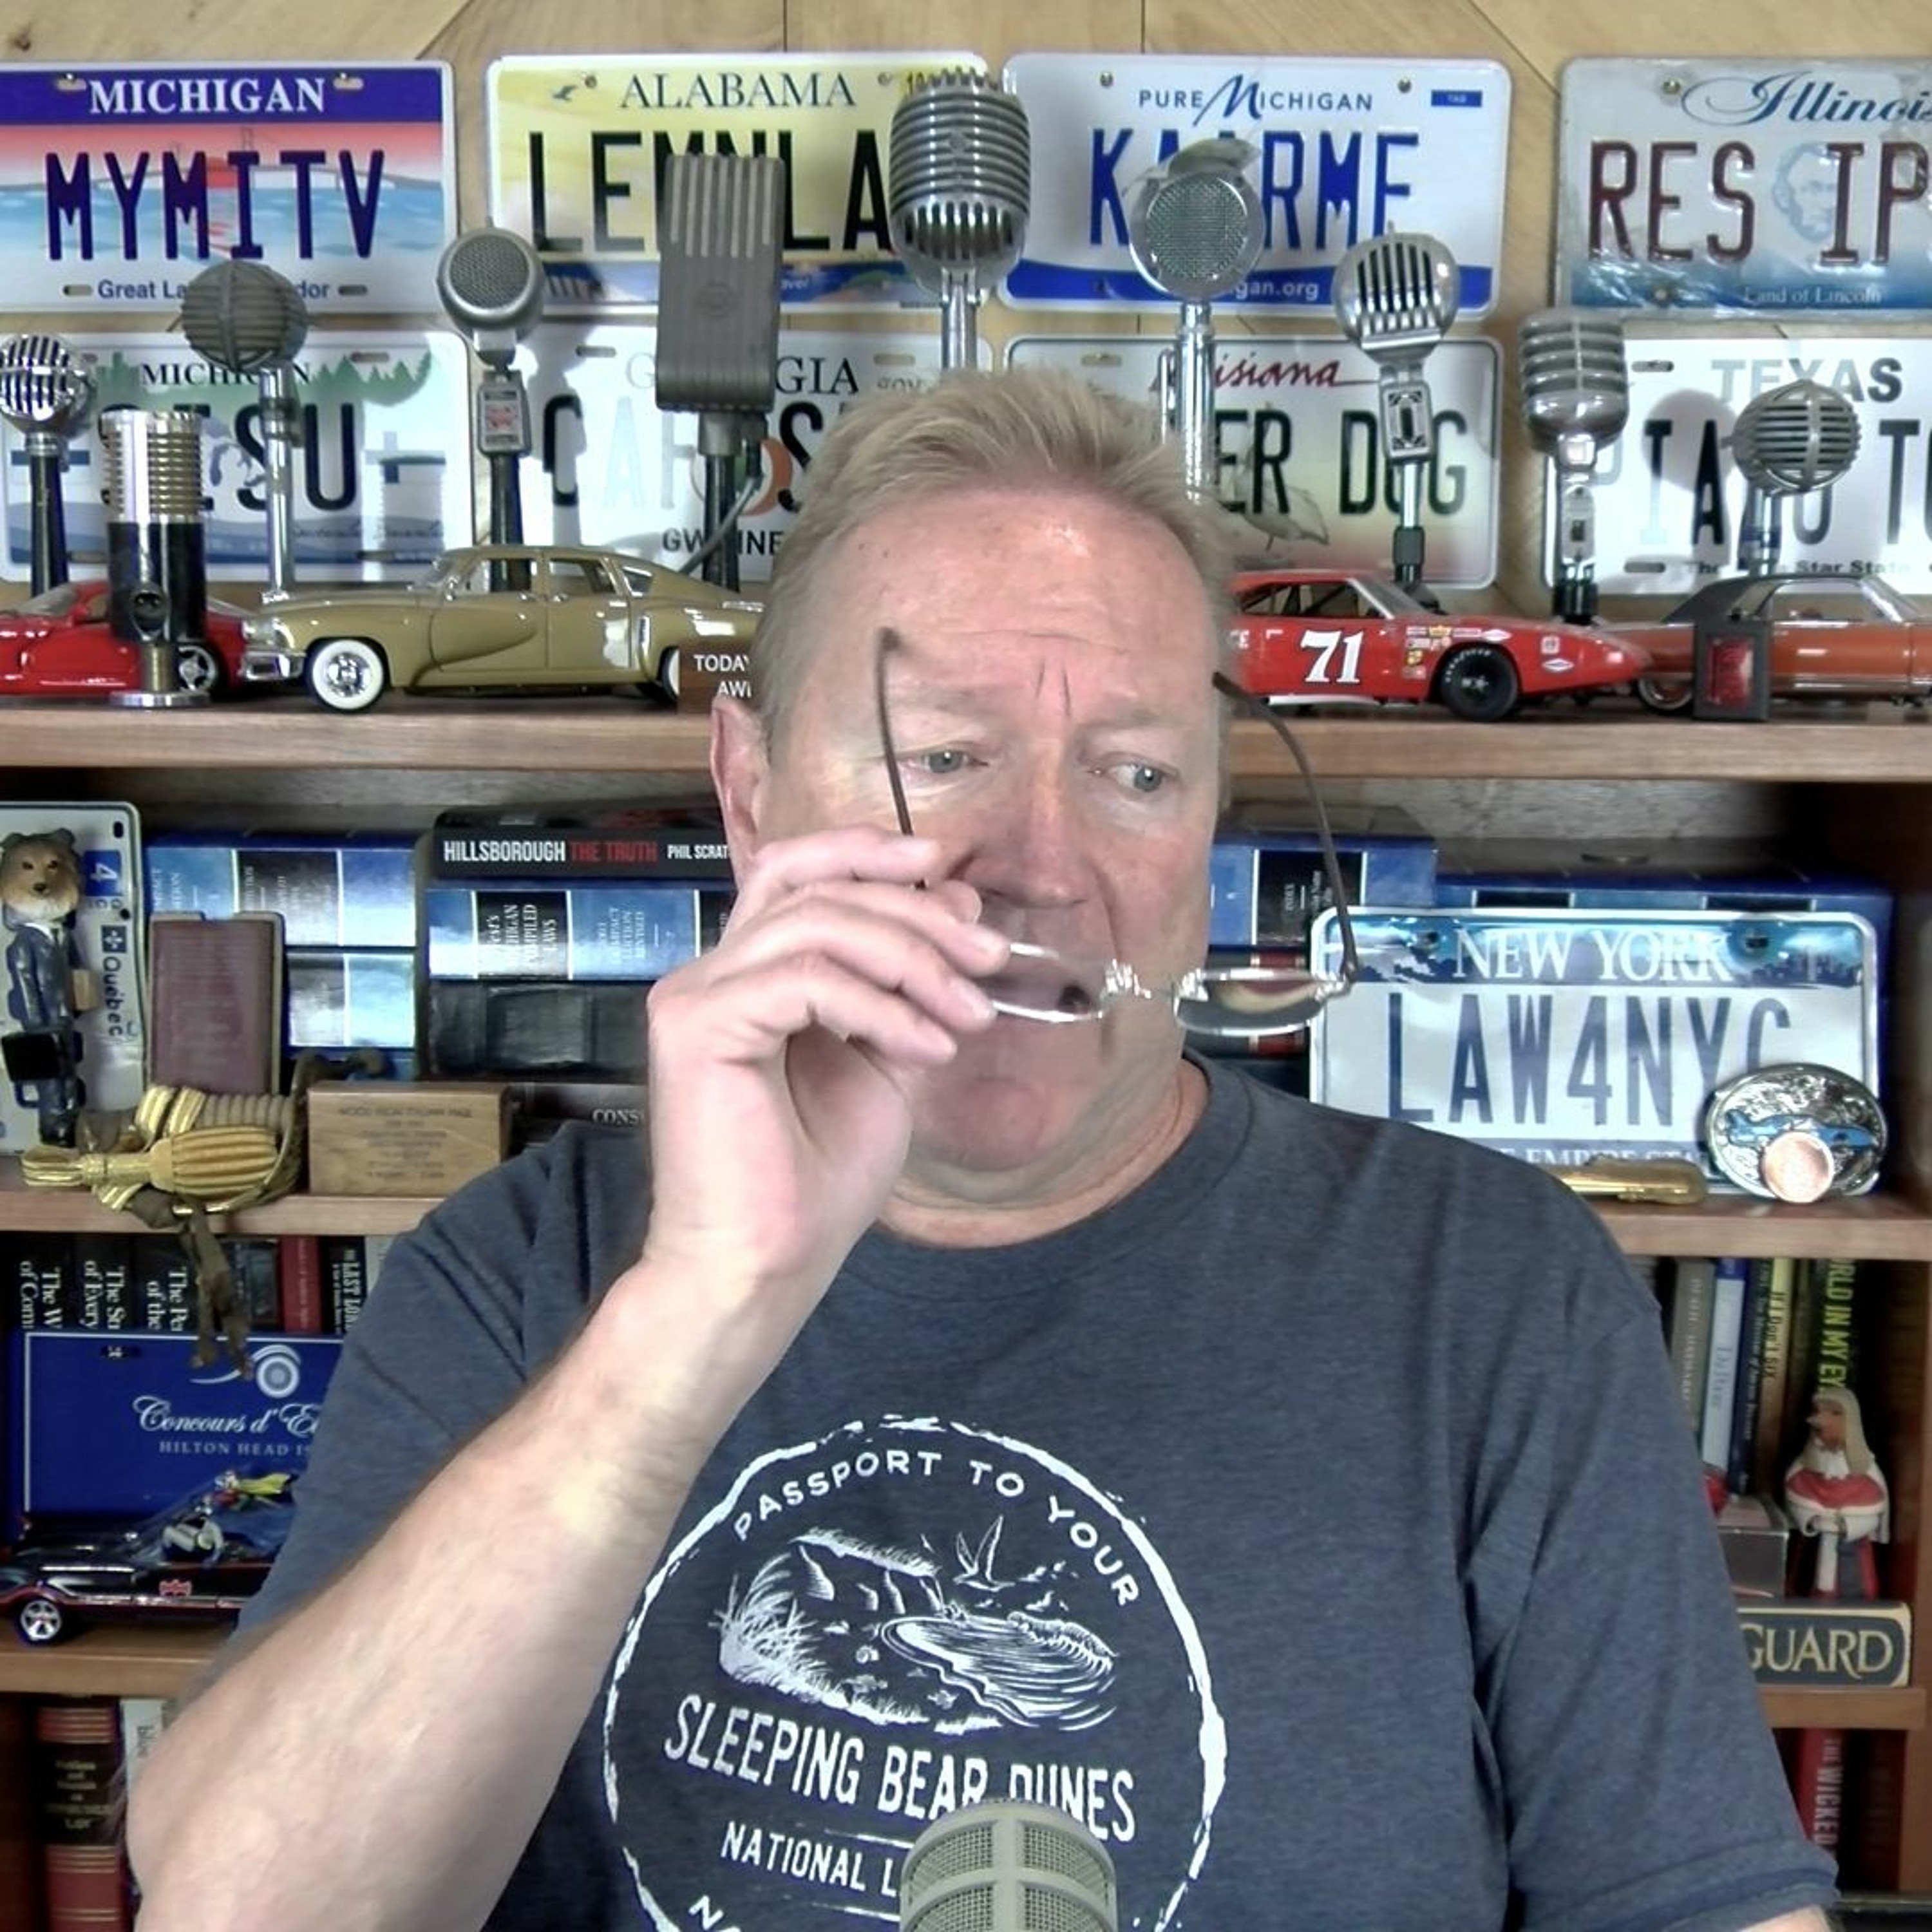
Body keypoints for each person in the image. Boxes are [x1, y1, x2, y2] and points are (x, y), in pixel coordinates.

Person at [126, 369, 1837, 1930]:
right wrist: (697, 1314)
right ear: (751, 793)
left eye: (1137, 774)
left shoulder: (1494, 1294)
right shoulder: (522, 1273)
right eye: (941, 756)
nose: (1039, 865)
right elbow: (240, 1910)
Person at [1785, 1383, 1890, 1599]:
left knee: (1853, 1585)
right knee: (1805, 1582)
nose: (1822, 1420)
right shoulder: (1805, 1468)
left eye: (1834, 1413)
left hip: (1851, 1545)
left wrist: (1848, 1525)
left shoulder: (1866, 1472)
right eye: (1819, 1412)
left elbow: (1873, 1510)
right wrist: (1812, 1519)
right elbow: (1796, 1495)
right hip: (1814, 1542)